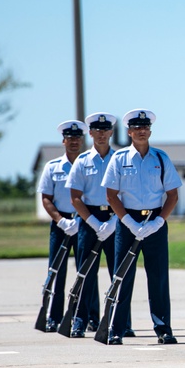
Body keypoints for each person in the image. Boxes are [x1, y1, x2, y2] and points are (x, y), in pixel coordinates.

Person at [101, 108, 182, 345]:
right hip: (128, 222)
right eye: (137, 128)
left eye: (145, 128)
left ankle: (163, 329)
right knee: (123, 277)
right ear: (129, 132)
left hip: (155, 222)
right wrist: (127, 222)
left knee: (158, 278)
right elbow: (111, 195)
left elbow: (173, 195)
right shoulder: (119, 158)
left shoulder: (160, 158)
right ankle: (117, 329)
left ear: (150, 130)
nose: (141, 131)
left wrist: (159, 221)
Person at [66, 111, 119, 337]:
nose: (101, 135)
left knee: (118, 274)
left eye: (105, 130)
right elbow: (75, 197)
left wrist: (116, 220)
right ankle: (81, 319)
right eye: (97, 130)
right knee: (85, 273)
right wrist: (95, 223)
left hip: (117, 218)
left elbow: (125, 194)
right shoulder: (82, 160)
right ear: (90, 133)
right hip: (90, 219)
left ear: (111, 132)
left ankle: (120, 320)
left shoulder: (120, 158)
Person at [36, 119, 86, 332]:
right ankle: (54, 317)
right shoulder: (52, 166)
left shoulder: (88, 163)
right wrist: (61, 220)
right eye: (70, 138)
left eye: (77, 138)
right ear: (63, 140)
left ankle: (87, 316)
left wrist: (82, 219)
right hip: (61, 222)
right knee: (57, 271)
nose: (74, 142)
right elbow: (46, 198)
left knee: (85, 272)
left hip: (85, 220)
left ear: (82, 140)